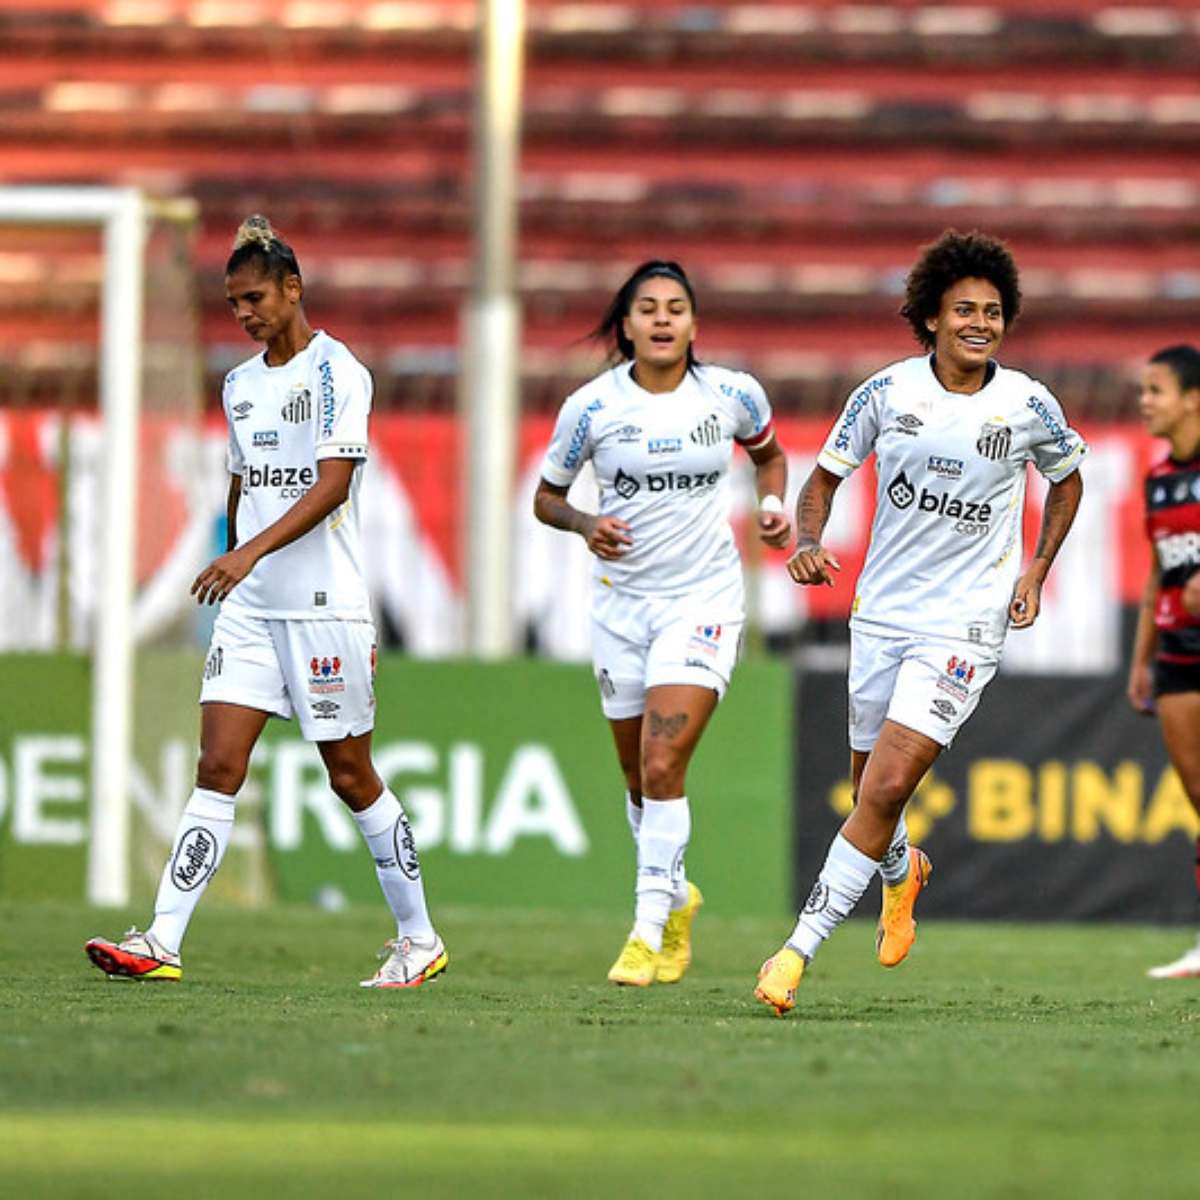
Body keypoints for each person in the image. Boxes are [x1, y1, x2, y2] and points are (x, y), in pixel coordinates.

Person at [85, 216, 446, 989]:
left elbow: (333, 484)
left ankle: (419, 938)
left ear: (292, 288)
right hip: (252, 610)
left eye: (254, 298)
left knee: (351, 774)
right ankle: (161, 940)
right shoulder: (239, 386)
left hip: (324, 606)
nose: (243, 314)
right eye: (232, 303)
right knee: (216, 765)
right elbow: (242, 479)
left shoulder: (336, 373)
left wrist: (248, 550)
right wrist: (233, 545)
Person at [754, 229, 1086, 1015]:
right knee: (867, 790)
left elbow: (1069, 482)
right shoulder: (886, 394)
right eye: (964, 309)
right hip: (882, 616)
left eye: (995, 311)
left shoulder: (1028, 403)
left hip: (964, 629)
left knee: (891, 783)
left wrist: (1035, 570)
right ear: (930, 318)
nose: (981, 322)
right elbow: (824, 480)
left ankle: (795, 953)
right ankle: (903, 871)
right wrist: (806, 542)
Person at [534, 260, 790, 986]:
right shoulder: (591, 407)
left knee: (663, 762)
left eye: (676, 307)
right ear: (626, 324)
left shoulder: (732, 395)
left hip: (703, 602)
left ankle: (646, 929)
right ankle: (677, 898)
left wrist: (773, 508)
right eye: (647, 308)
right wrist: (585, 523)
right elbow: (546, 499)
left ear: (694, 324)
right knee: (637, 777)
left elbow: (770, 457)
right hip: (621, 607)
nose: (662, 319)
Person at [1126, 344, 1200, 979]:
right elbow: (1157, 574)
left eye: (1155, 390)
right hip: (1178, 653)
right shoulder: (1157, 479)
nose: (1145, 402)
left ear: (1192, 398)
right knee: (1198, 795)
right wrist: (1141, 659)